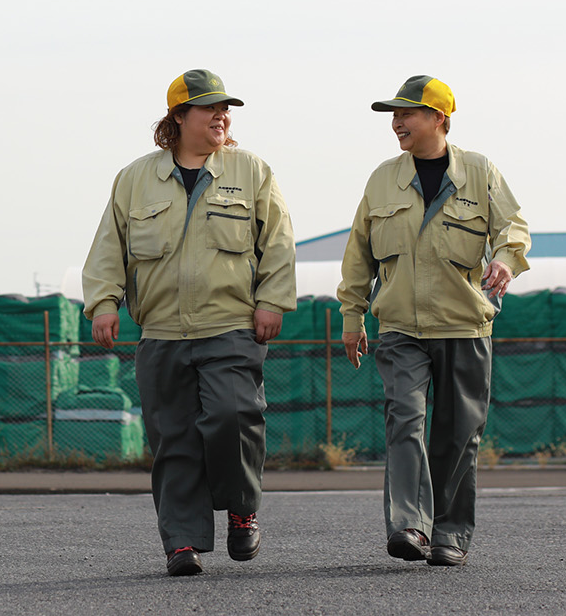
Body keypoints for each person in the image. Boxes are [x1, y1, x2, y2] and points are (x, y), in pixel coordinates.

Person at [83, 68, 296, 577]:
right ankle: (183, 542)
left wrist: (272, 301)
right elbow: (109, 247)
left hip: (230, 327)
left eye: (226, 109)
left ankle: (242, 508)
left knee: (232, 417)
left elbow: (280, 243)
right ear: (179, 117)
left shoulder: (251, 171)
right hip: (160, 334)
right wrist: (105, 302)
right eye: (209, 108)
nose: (222, 115)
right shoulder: (135, 178)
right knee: (173, 438)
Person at [337, 75, 530, 568]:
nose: (397, 122)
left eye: (408, 113)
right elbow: (359, 252)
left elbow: (513, 227)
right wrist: (352, 315)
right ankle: (410, 526)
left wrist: (506, 258)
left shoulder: (480, 171)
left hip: (465, 326)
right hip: (400, 327)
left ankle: (450, 534)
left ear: (439, 118)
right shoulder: (382, 178)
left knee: (458, 435)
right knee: (405, 419)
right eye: (393, 115)